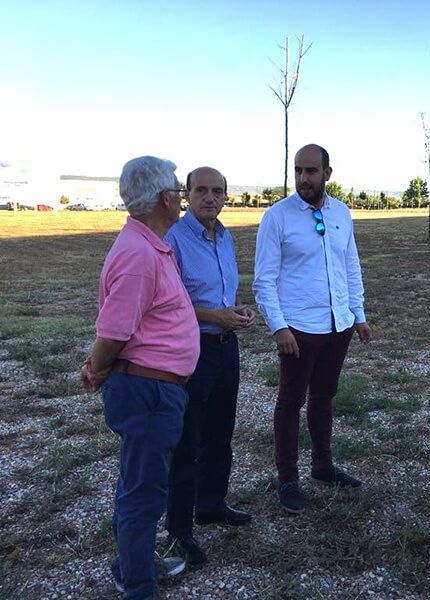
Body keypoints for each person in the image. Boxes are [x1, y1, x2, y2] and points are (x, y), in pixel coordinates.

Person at [80, 156, 200, 599]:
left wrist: (100, 365)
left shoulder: (150, 245)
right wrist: (96, 367)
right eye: (177, 188)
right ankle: (138, 585)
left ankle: (131, 564)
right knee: (143, 492)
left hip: (155, 388)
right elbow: (112, 332)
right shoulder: (137, 255)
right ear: (165, 198)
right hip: (149, 392)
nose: (182, 195)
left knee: (141, 482)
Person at [253, 144, 372, 514]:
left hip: (338, 325)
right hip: (298, 329)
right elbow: (264, 280)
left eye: (311, 171)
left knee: (324, 397)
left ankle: (322, 466)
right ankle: (288, 478)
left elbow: (349, 266)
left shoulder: (342, 213)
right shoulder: (278, 217)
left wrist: (359, 313)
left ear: (327, 174)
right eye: (298, 171)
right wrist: (278, 327)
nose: (303, 178)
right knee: (291, 401)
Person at [163, 167, 255, 567]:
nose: (210, 198)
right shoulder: (174, 240)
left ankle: (212, 504)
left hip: (225, 347)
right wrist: (215, 316)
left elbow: (220, 294)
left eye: (218, 192)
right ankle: (179, 531)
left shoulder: (226, 235)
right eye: (201, 190)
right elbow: (171, 303)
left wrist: (234, 312)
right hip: (192, 350)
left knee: (221, 432)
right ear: (186, 194)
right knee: (188, 442)